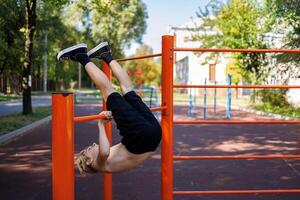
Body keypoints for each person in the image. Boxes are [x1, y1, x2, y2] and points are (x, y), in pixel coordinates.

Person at [57, 42, 162, 174]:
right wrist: (101, 125)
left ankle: (105, 54)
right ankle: (81, 55)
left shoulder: (106, 163)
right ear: (89, 161)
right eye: (90, 148)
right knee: (109, 92)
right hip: (140, 137)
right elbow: (105, 152)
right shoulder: (99, 164)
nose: (93, 145)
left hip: (153, 135)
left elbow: (116, 149)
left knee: (128, 91)